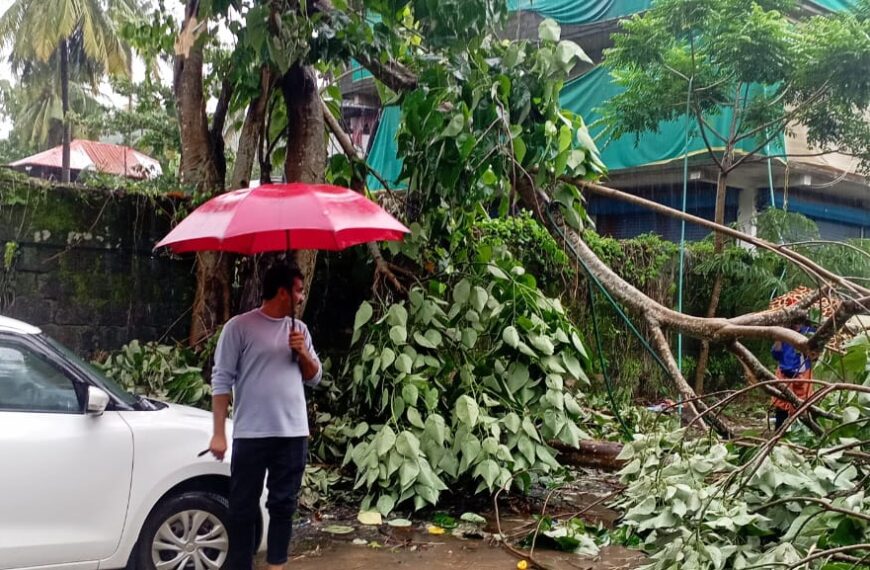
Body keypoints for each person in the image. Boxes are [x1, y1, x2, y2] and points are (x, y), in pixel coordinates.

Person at [209, 264, 322, 570]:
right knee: (242, 507)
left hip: (293, 433)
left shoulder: (300, 331)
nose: (301, 297)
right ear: (282, 292)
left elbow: (315, 378)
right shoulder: (239, 327)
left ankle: (277, 565)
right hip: (251, 433)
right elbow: (221, 381)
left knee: (283, 504)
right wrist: (218, 433)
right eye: (298, 290)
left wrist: (302, 353)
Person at [771, 322, 815, 430]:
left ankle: (807, 433)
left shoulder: (809, 331)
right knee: (782, 408)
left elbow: (815, 354)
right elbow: (776, 354)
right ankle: (779, 437)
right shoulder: (783, 332)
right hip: (784, 374)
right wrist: (779, 336)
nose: (796, 323)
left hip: (802, 376)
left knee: (803, 407)